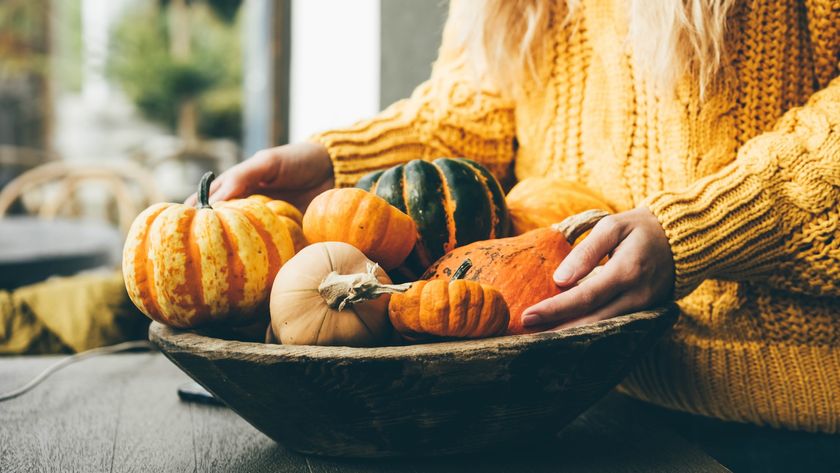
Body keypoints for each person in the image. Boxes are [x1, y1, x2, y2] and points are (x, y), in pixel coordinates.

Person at [189, 0, 839, 433]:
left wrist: (702, 229)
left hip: (778, 416)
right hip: (575, 391)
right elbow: (482, 108)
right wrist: (337, 162)